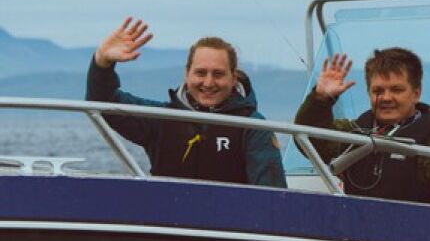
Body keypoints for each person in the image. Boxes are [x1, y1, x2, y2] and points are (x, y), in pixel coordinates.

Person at [85, 16, 285, 187]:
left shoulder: (254, 128)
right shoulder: (162, 119)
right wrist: (102, 62)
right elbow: (103, 102)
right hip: (167, 218)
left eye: (218, 74)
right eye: (200, 73)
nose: (208, 82)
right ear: (187, 74)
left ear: (233, 78)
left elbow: (272, 198)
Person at [294, 48, 430, 207]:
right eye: (378, 91)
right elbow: (309, 141)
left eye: (396, 90)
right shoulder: (356, 132)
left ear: (416, 93)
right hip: (356, 229)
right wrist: (320, 100)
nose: (386, 98)